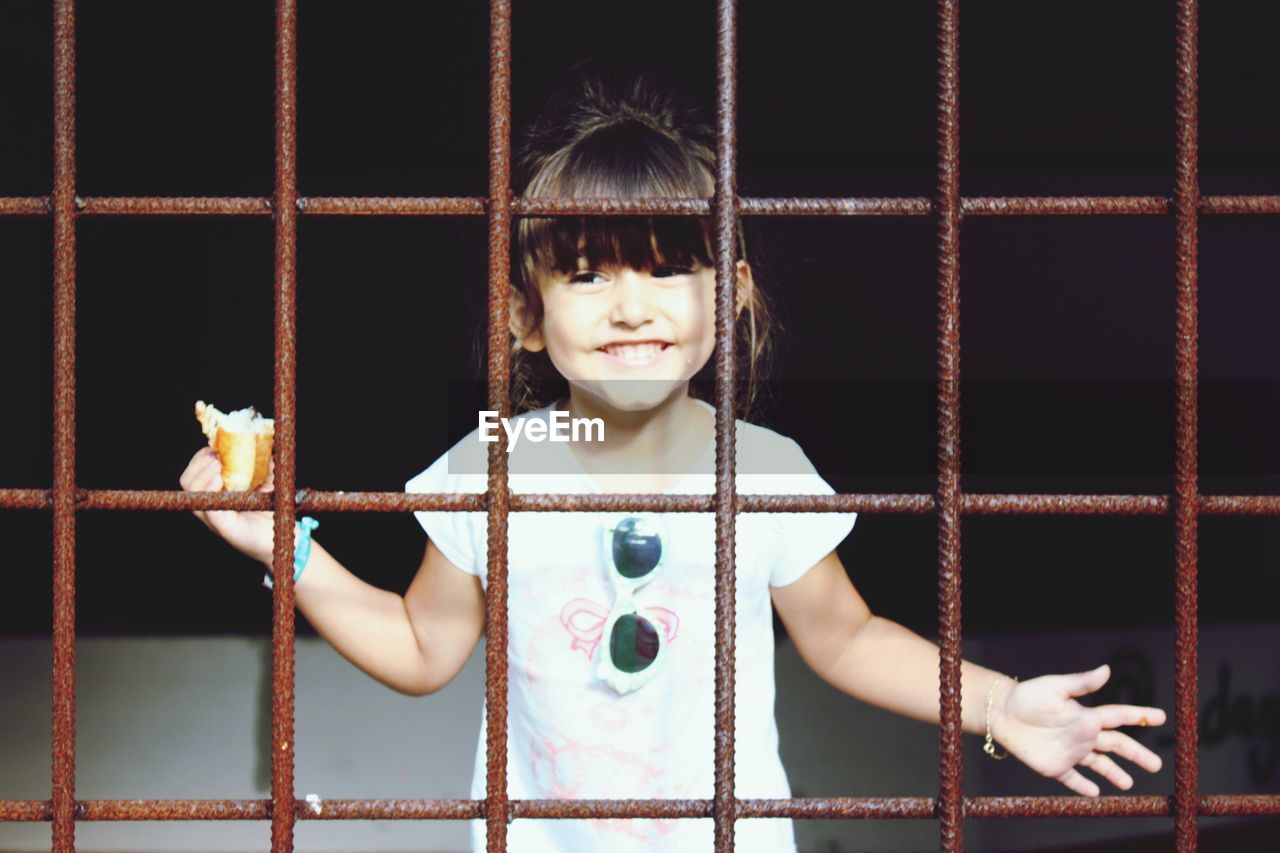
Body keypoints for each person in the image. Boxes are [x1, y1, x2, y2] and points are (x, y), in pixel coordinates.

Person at [179, 74, 1168, 853]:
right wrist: (283, 543)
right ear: (523, 312)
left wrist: (995, 704)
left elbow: (846, 637)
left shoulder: (764, 466)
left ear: (726, 296)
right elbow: (421, 648)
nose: (629, 304)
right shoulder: (495, 458)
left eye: (665, 267)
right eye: (586, 272)